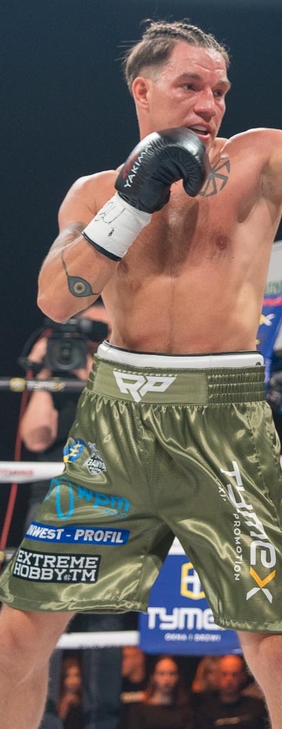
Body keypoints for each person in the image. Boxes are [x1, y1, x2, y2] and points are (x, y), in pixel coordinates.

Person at [0, 17, 282, 729]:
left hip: (223, 426)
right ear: (142, 91)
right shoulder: (93, 194)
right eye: (191, 86)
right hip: (116, 431)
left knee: (275, 648)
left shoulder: (257, 160)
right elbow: (57, 300)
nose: (210, 104)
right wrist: (131, 204)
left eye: (219, 90)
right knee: (16, 634)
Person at [19, 301, 126, 729]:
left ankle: (104, 721)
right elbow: (35, 437)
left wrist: (91, 374)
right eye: (82, 333)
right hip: (50, 500)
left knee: (104, 614)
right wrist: (47, 374)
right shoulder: (58, 376)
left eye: (97, 333)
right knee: (43, 612)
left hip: (108, 500)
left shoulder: (125, 377)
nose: (88, 342)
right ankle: (42, 720)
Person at [194, 654, 269, 729]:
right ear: (217, 676)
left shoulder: (257, 706)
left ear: (242, 677)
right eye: (224, 674)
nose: (229, 680)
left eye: (234, 674)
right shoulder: (205, 710)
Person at [119, 655, 194, 729]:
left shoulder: (185, 711)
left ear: (177, 677)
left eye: (172, 674)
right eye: (161, 673)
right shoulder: (139, 711)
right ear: (153, 677)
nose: (167, 679)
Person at [57, 656, 84, 729]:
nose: (73, 681)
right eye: (68, 676)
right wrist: (65, 703)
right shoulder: (57, 700)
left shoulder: (84, 700)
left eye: (77, 675)